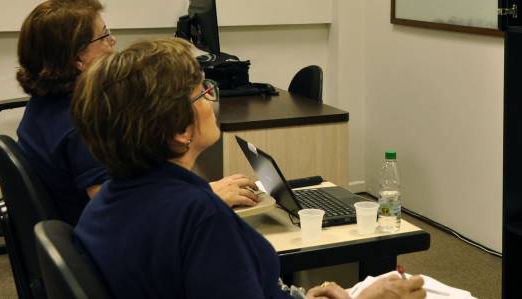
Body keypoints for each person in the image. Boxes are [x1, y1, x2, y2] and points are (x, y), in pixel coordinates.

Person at [72, 38, 426, 299]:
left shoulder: (103, 207)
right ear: (180, 131)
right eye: (202, 92)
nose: (211, 101)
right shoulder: (198, 217)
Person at [15, 0, 259, 225]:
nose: (112, 43)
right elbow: (120, 214)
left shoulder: (43, 104)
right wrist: (207, 196)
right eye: (104, 36)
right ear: (78, 59)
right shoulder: (80, 125)